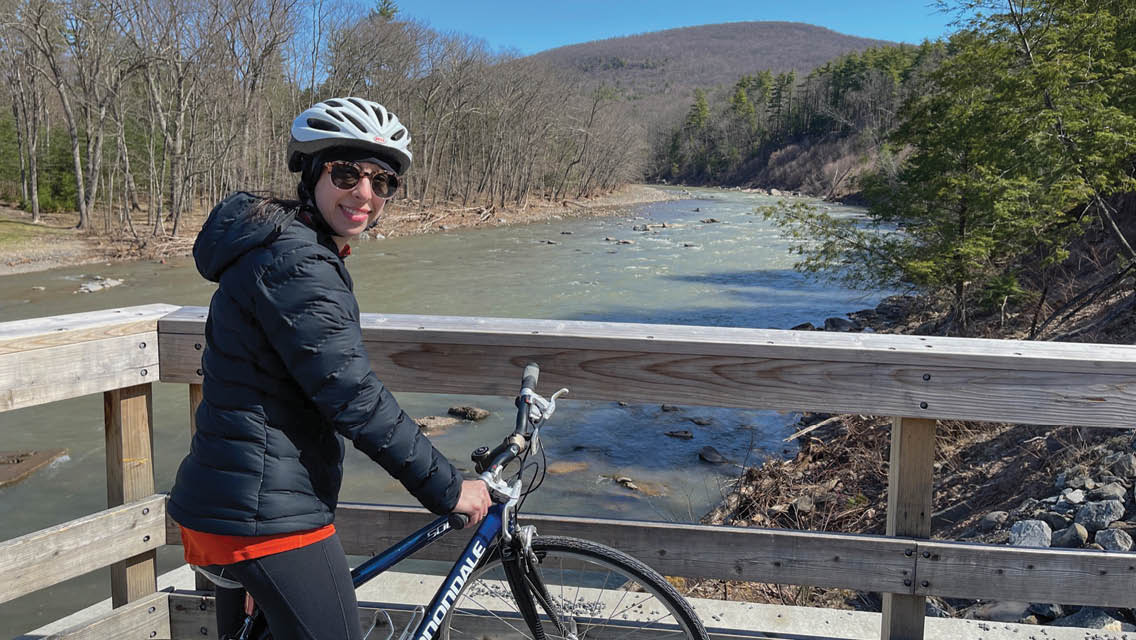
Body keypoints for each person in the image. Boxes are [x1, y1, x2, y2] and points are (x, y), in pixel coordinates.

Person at [168, 97, 491, 640]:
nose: (365, 193)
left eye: (382, 181)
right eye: (346, 174)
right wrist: (448, 488)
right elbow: (353, 396)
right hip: (265, 516)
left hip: (234, 502)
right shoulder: (298, 263)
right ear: (313, 174)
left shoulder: (280, 245)